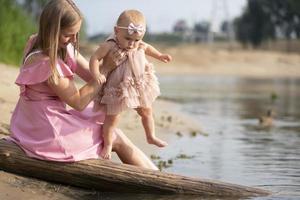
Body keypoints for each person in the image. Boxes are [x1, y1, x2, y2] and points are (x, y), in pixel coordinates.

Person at [8, 0, 158, 170]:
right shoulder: (46, 63)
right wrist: (107, 67)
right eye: (68, 34)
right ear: (51, 31)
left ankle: (155, 173)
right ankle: (158, 178)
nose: (73, 39)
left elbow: (90, 75)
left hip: (34, 120)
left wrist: (130, 84)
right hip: (44, 130)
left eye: (76, 34)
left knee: (108, 119)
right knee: (115, 136)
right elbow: (79, 102)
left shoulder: (58, 44)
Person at [89, 9, 172, 159]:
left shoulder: (138, 44)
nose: (132, 43)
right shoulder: (110, 45)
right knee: (113, 118)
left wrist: (160, 55)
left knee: (146, 111)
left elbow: (148, 48)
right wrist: (96, 73)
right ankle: (108, 144)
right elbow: (94, 58)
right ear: (116, 31)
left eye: (136, 40)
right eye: (128, 38)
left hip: (138, 85)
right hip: (118, 88)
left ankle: (150, 136)